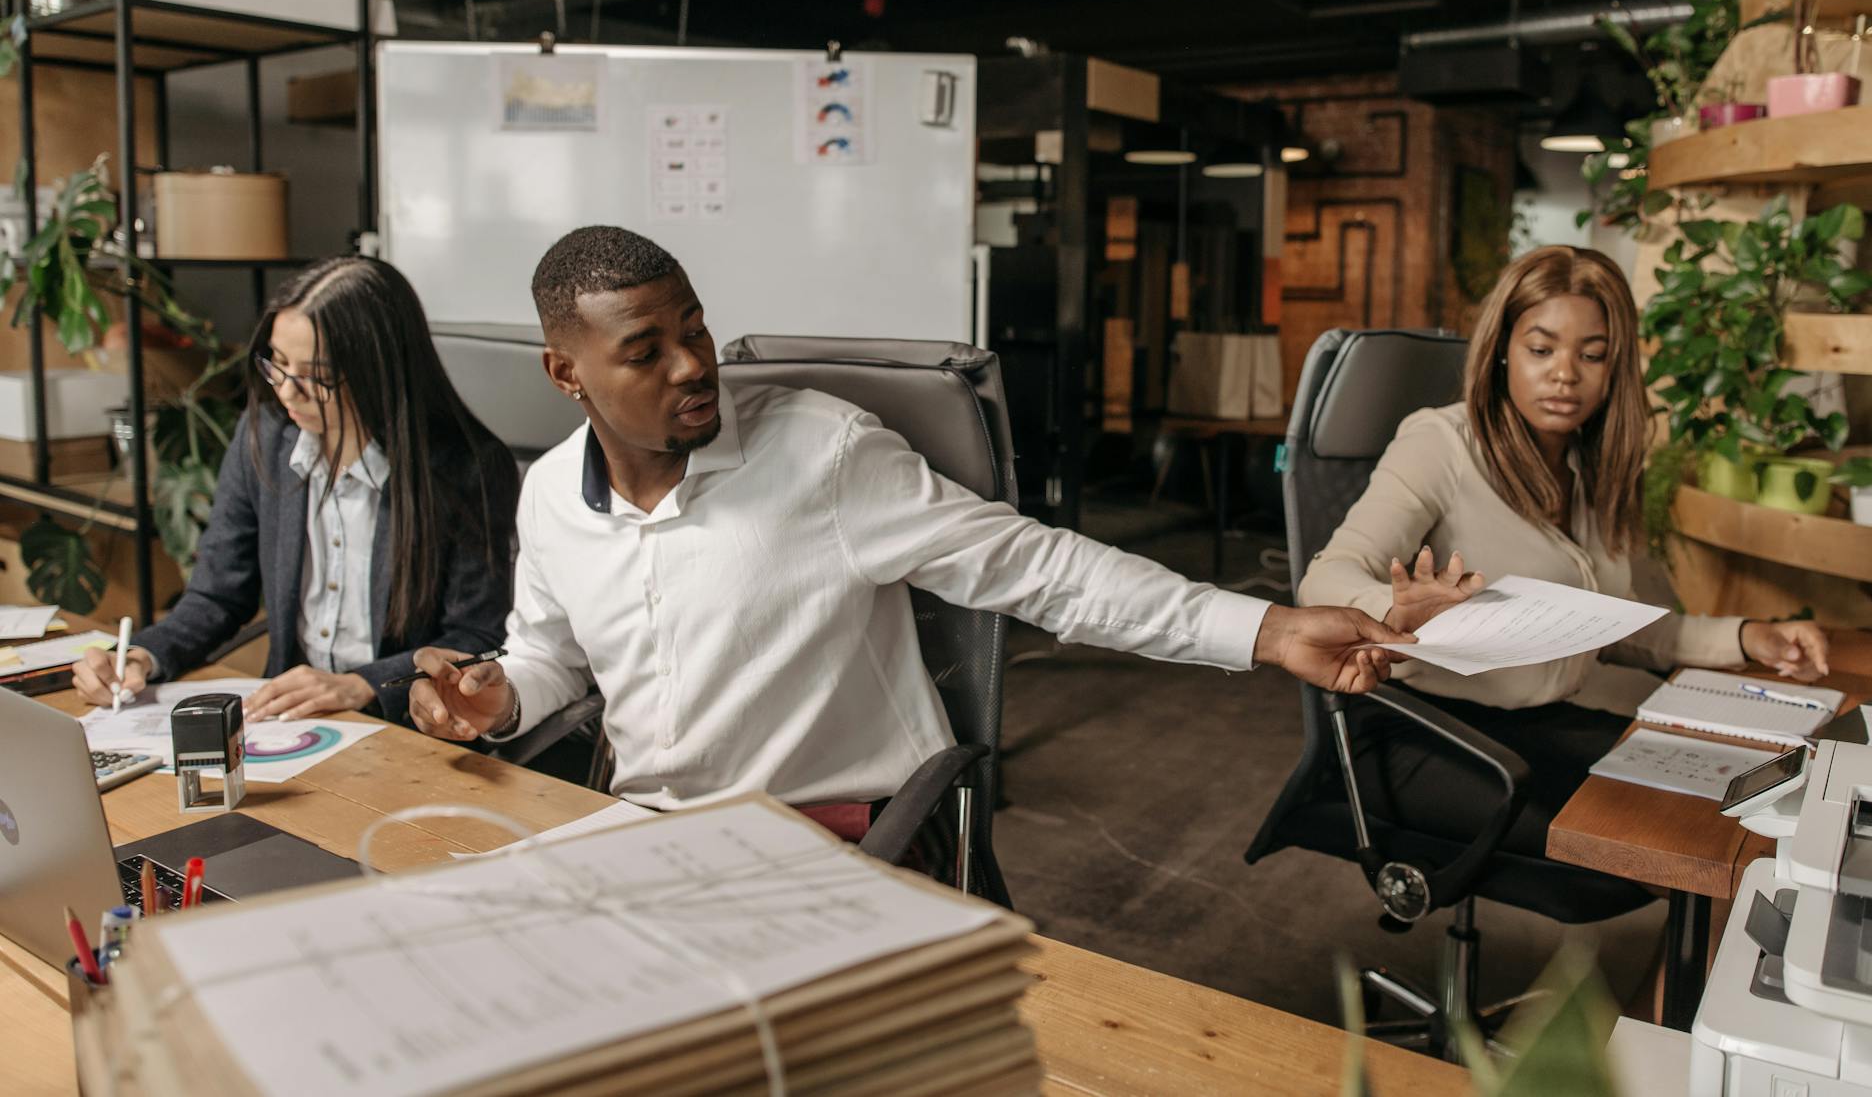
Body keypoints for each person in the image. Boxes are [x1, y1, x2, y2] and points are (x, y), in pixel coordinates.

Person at [407, 226, 1403, 822]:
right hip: (641, 834)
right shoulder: (547, 497)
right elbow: (550, 660)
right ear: (564, 371)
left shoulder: (822, 452)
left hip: (823, 829)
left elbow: (1041, 570)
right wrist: (496, 700)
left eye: (695, 326)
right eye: (645, 349)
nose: (693, 363)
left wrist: (1267, 630)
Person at [1298, 245, 1828, 845]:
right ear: (1502, 350)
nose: (1565, 374)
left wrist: (1749, 636)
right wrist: (1402, 617)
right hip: (1434, 731)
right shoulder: (1440, 443)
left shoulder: (1594, 467)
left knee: (1737, 811)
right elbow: (1324, 579)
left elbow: (1620, 625)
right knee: (1670, 840)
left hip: (1544, 725)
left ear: (1614, 367)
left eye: (1592, 354)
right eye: (1541, 349)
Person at [71, 257, 518, 723]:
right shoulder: (265, 435)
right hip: (290, 722)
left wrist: (362, 683)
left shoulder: (468, 466)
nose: (287, 392)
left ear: (380, 370)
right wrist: (144, 656)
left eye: (315, 376)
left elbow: (475, 635)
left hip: (410, 727)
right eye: (277, 365)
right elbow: (217, 595)